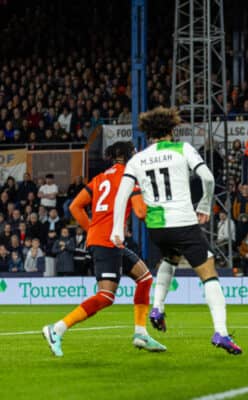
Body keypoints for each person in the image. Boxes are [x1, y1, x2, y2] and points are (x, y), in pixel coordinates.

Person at [110, 106, 242, 355]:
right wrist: (204, 204)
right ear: (172, 130)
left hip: (157, 227)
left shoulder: (137, 159)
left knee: (170, 258)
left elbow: (122, 195)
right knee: (209, 274)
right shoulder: (183, 149)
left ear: (149, 134)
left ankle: (158, 306)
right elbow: (209, 178)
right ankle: (221, 333)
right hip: (182, 221)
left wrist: (118, 228)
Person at [42, 142, 166, 357]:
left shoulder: (99, 178)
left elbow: (74, 206)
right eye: (134, 153)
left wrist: (92, 229)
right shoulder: (130, 178)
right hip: (106, 242)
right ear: (127, 156)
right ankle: (57, 329)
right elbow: (140, 212)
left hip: (106, 239)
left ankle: (141, 333)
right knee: (106, 296)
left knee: (144, 278)